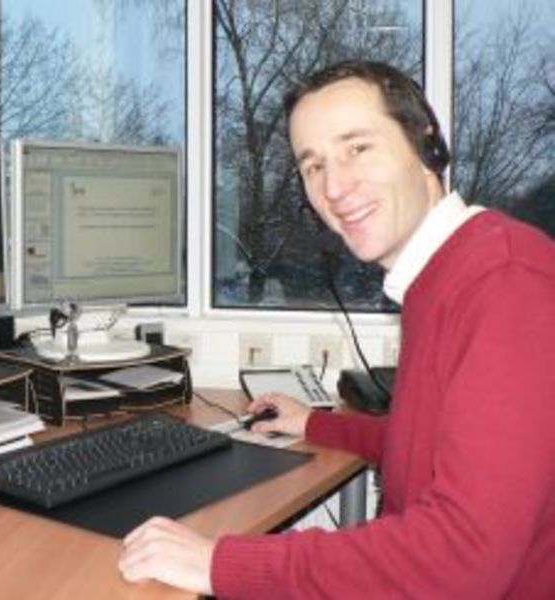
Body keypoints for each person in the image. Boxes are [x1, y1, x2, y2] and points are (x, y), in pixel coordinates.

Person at [118, 60, 555, 598]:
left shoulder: (506, 282)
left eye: (357, 148)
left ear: (425, 143)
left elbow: (462, 558)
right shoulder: (445, 275)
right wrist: (315, 424)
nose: (334, 186)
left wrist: (218, 564)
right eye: (313, 165)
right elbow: (429, 444)